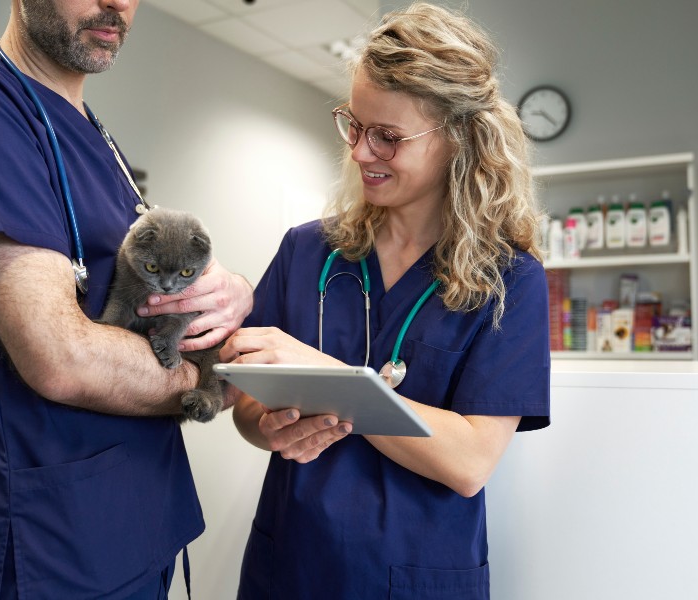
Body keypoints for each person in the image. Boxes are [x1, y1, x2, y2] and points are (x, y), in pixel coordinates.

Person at [0, 0, 252, 597]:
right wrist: (214, 384)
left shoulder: (93, 133)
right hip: (47, 537)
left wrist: (234, 293)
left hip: (138, 518)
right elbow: (60, 357)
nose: (116, 3)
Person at [219, 3, 551, 598]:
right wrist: (265, 427)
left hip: (417, 572)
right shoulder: (306, 251)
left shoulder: (509, 280)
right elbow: (244, 401)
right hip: (291, 563)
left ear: (457, 138)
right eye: (354, 125)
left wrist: (337, 380)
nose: (360, 152)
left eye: (388, 137)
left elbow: (470, 461)